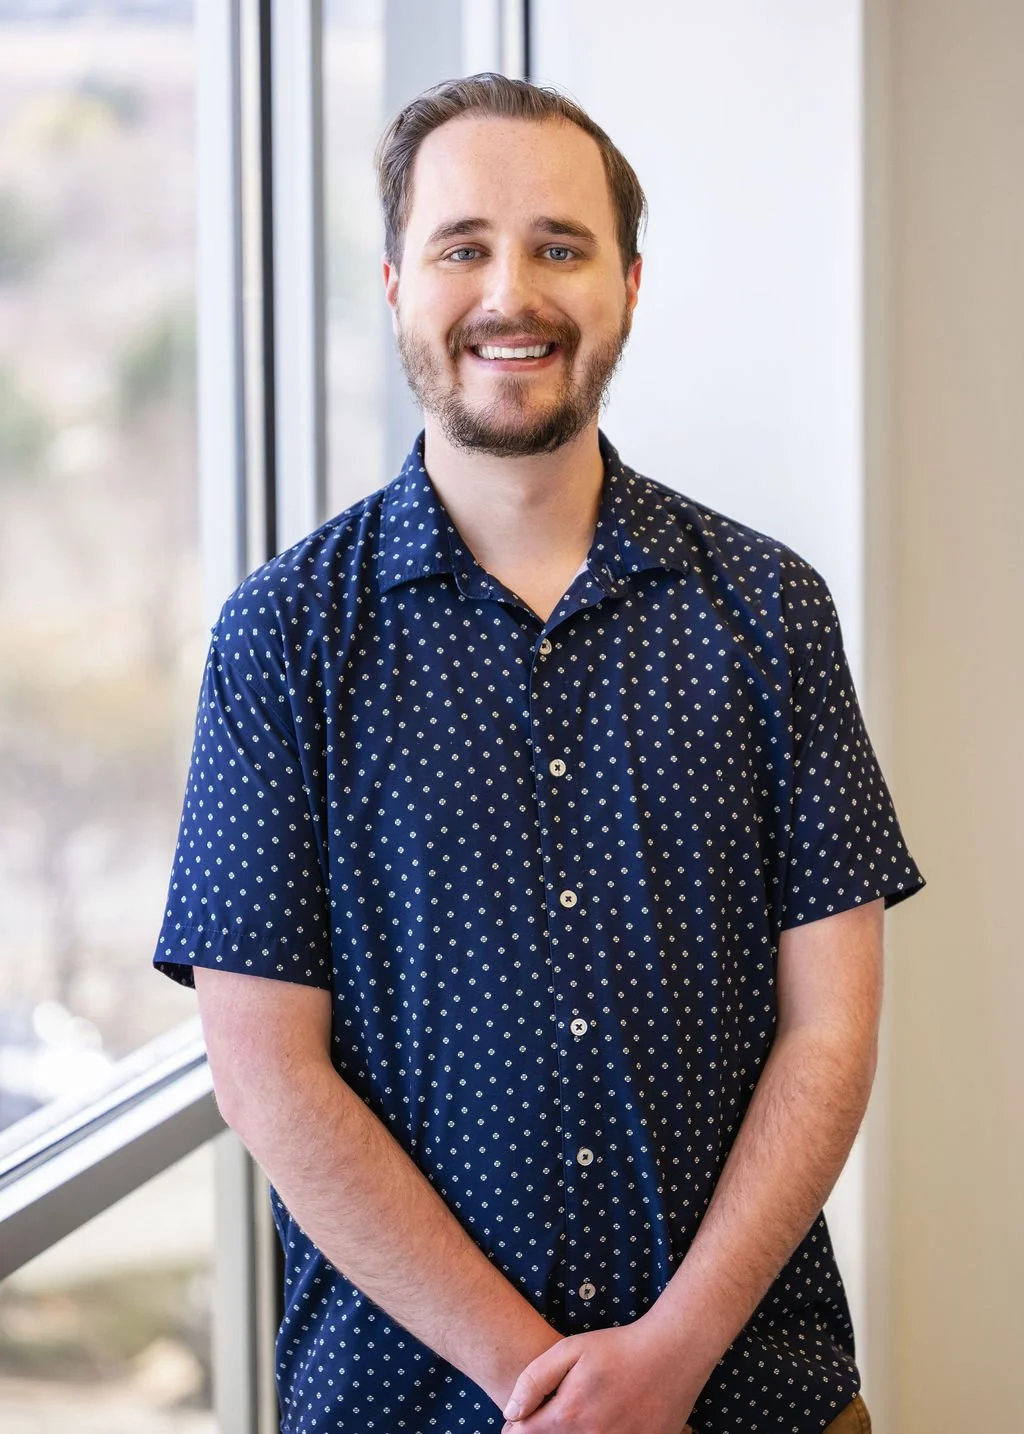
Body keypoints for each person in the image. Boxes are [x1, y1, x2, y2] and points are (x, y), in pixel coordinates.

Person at [154, 73, 923, 1434]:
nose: (512, 291)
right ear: (397, 283)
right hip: (410, 1401)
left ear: (627, 284)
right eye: (464, 246)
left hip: (755, 1394)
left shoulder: (770, 608)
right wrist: (550, 1385)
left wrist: (667, 1358)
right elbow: (268, 1072)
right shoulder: (279, 640)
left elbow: (832, 1028)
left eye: (559, 247)